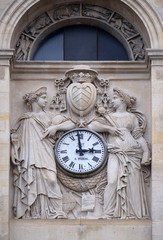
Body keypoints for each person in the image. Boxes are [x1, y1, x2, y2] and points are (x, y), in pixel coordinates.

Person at [11, 87, 70, 219]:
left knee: (51, 179)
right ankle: (35, 212)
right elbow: (16, 137)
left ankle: (56, 211)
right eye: (43, 98)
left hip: (46, 152)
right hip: (28, 154)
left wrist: (56, 127)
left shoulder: (50, 115)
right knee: (32, 180)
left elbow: (72, 123)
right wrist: (13, 151)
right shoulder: (24, 119)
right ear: (34, 100)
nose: (46, 100)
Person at [101, 88, 150, 219]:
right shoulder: (108, 117)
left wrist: (146, 152)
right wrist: (109, 128)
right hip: (115, 152)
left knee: (132, 182)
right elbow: (93, 126)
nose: (112, 101)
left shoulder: (132, 117)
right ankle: (108, 212)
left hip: (131, 152)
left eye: (115, 98)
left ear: (122, 100)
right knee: (111, 181)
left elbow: (138, 136)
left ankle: (132, 213)